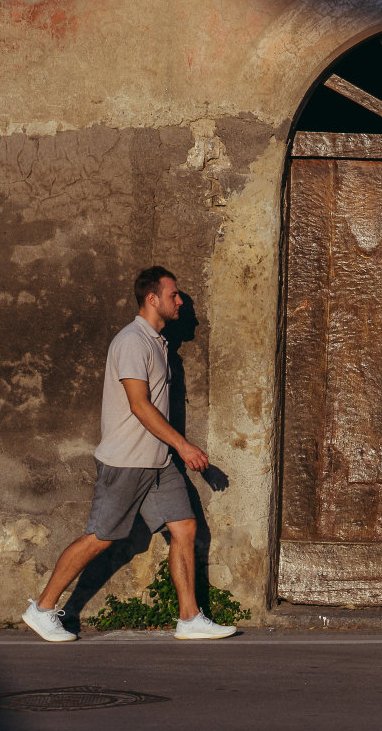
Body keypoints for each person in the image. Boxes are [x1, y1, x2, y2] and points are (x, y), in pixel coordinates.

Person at [21, 266, 236, 642]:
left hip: (157, 462)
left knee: (184, 528)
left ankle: (189, 618)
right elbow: (139, 405)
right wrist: (183, 446)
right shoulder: (133, 341)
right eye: (174, 295)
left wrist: (172, 451)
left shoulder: (157, 342)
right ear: (152, 299)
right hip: (126, 461)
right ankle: (41, 609)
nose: (180, 301)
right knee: (100, 538)